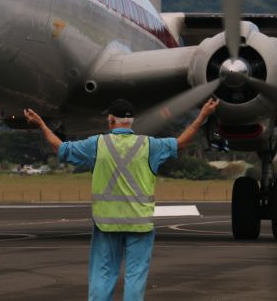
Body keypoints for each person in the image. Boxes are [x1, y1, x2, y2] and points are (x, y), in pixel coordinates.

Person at [24, 98, 219, 301]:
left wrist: (41, 124)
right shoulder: (149, 145)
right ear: (131, 122)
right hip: (139, 224)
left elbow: (60, 149)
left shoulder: (97, 144)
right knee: (135, 277)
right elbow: (182, 142)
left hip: (106, 223)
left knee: (102, 275)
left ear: (110, 120)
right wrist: (203, 115)